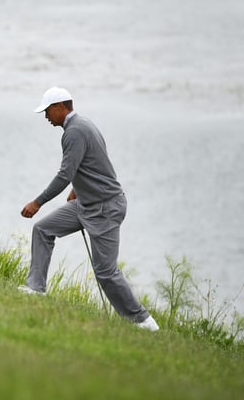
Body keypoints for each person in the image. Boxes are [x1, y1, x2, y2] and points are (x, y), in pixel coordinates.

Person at [19, 86, 159, 332]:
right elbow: (90, 163)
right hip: (84, 203)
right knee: (43, 230)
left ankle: (143, 322)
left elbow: (65, 174)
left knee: (105, 272)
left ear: (61, 107)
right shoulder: (83, 125)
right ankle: (35, 289)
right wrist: (78, 188)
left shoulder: (74, 132)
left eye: (48, 111)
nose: (46, 117)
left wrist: (37, 202)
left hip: (105, 208)